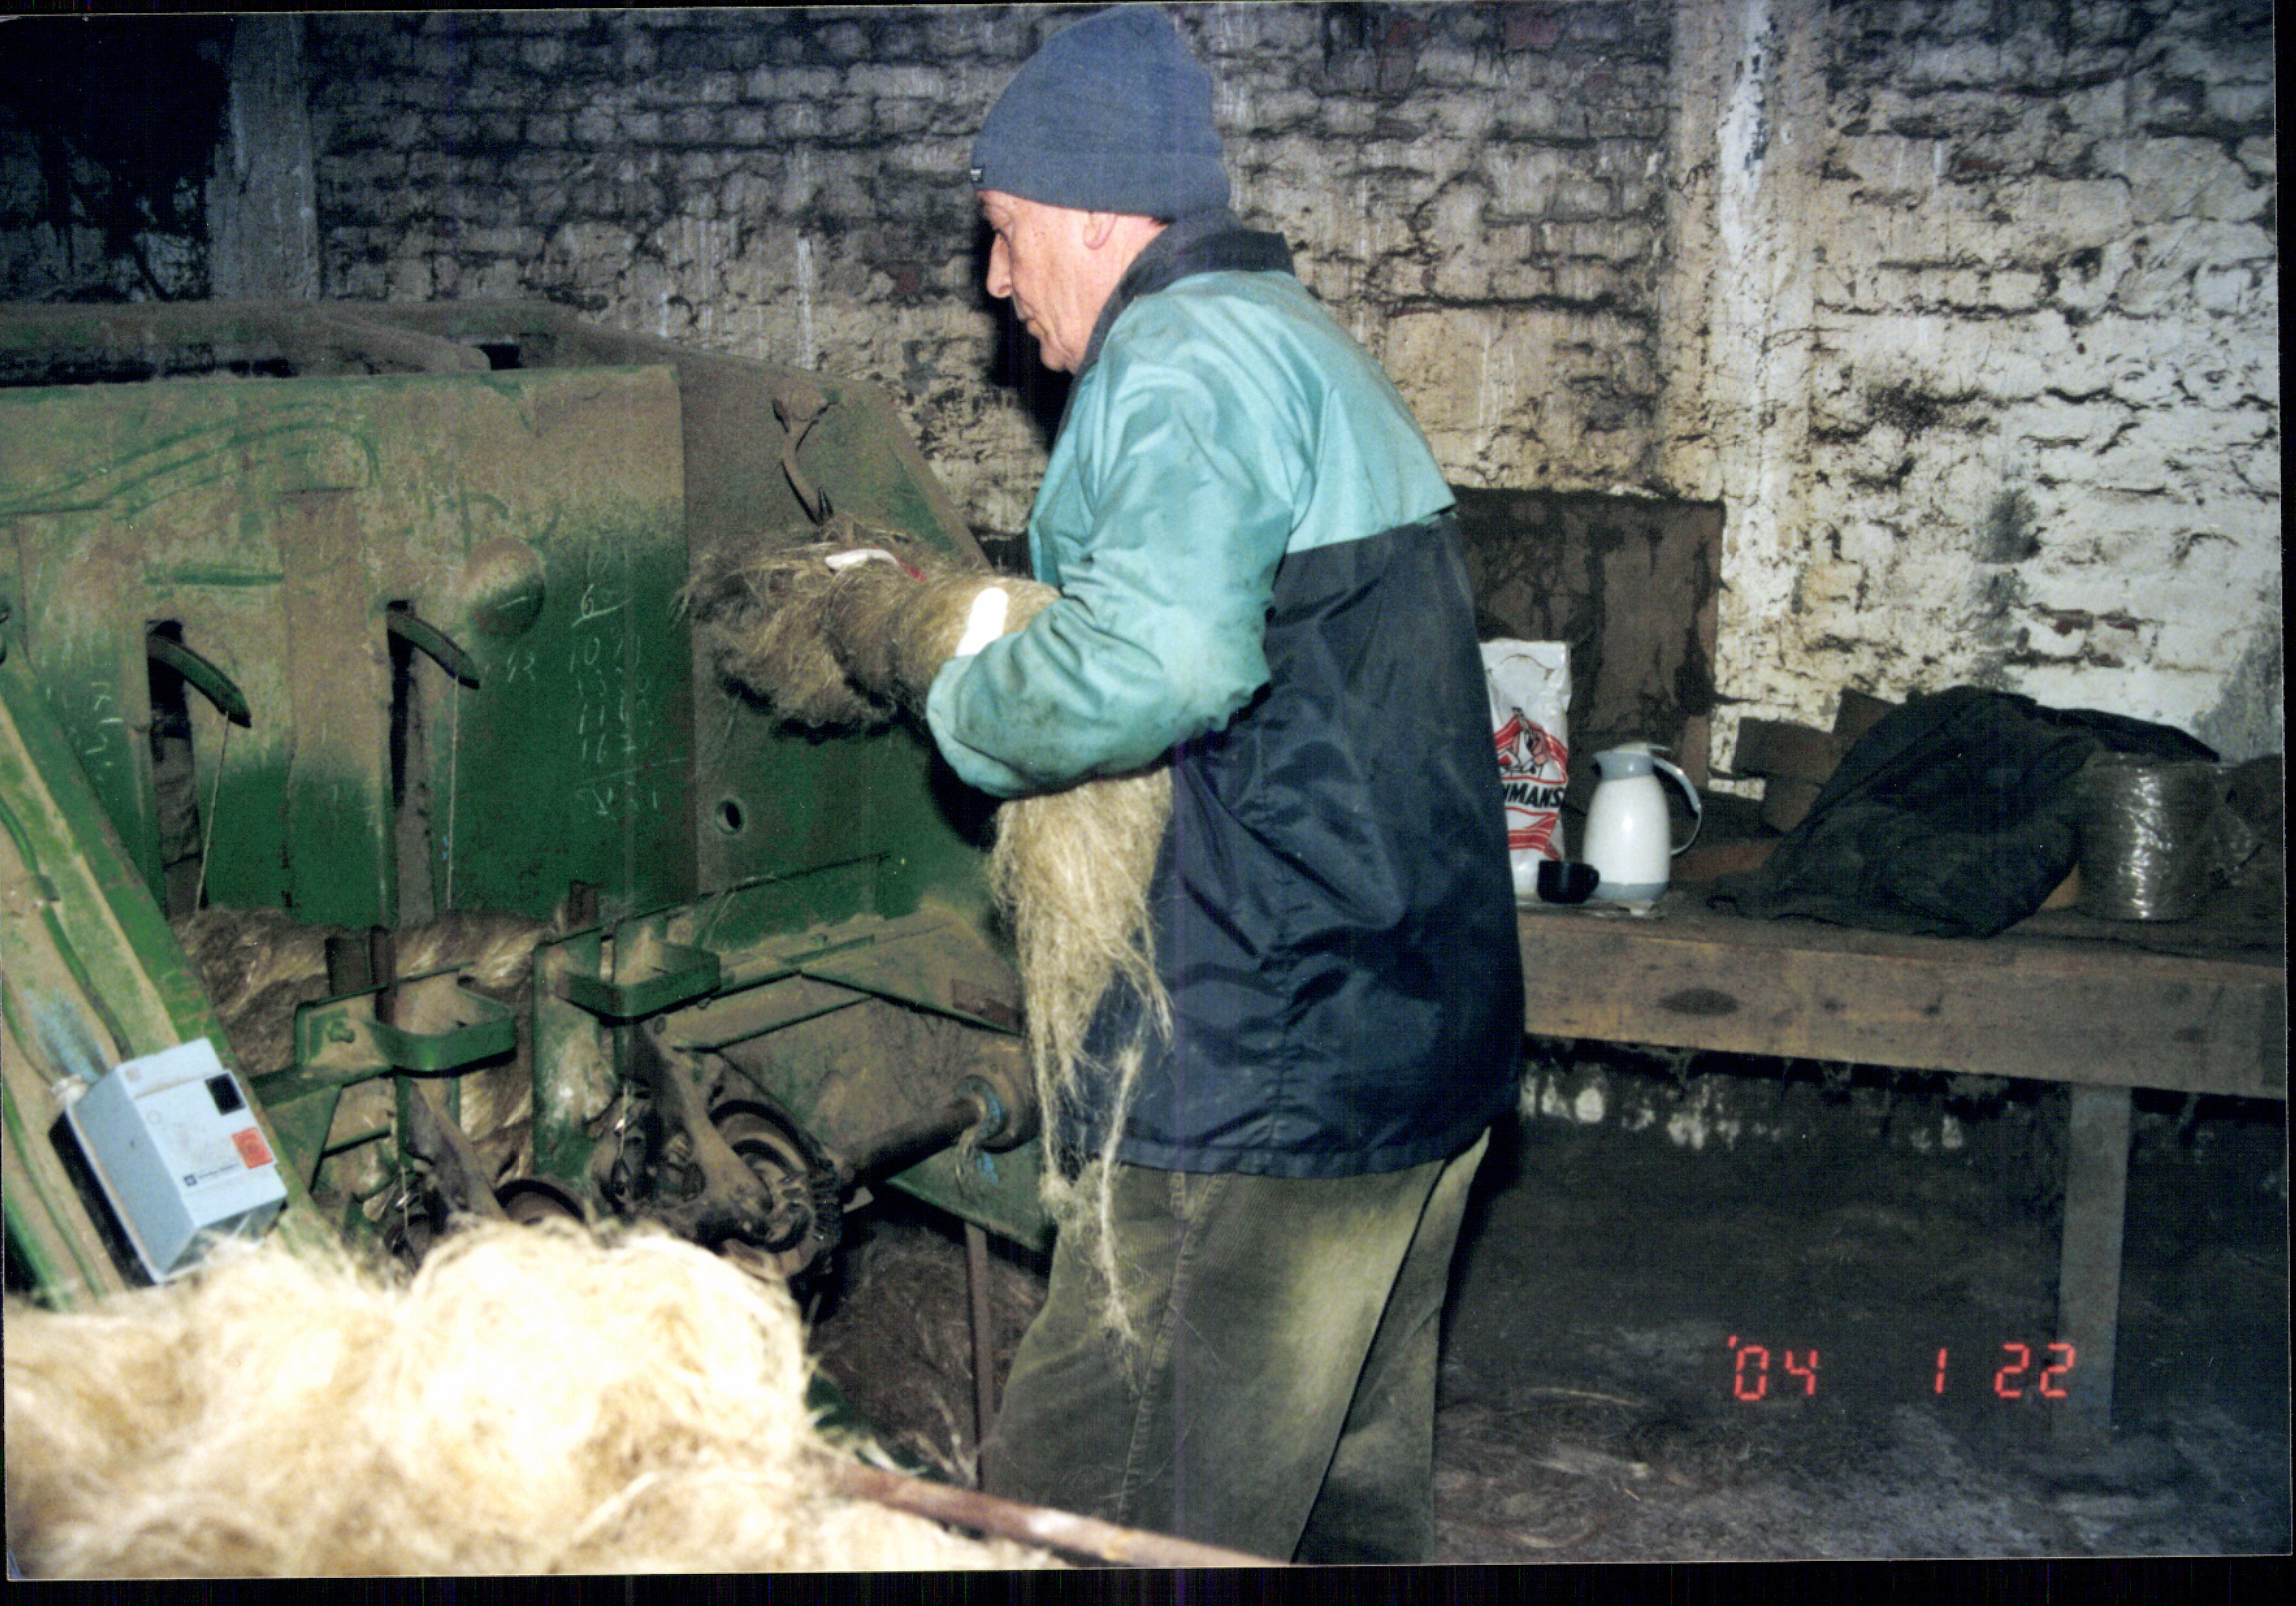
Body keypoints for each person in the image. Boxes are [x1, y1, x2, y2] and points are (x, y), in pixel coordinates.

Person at [920, 6, 1524, 1564]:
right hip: (1407, 1037)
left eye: (1003, 233)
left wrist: (961, 697)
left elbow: (1163, 657)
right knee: (1329, 1517)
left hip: (1265, 1067)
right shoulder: (1292, 335)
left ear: (1090, 213)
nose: (994, 281)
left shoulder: (1181, 357)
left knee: (1084, 1520)